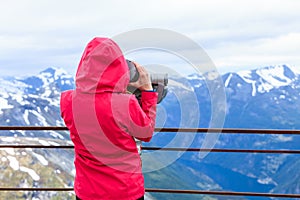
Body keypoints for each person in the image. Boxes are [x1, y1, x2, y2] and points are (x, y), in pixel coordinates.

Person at [60, 37, 158, 200]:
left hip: (87, 191)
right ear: (118, 66)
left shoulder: (67, 101)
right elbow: (145, 133)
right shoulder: (125, 104)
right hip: (125, 191)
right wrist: (147, 91)